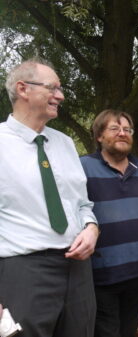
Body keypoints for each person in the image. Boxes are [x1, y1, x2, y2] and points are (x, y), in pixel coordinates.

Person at [0, 58, 99, 336]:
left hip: (78, 270)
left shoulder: (65, 144)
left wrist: (91, 228)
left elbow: (83, 204)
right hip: (23, 272)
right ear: (23, 89)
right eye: (52, 88)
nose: (60, 95)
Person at [80, 109, 138, 337]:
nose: (122, 133)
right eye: (114, 128)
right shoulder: (82, 167)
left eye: (127, 129)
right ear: (99, 136)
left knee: (129, 332)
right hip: (100, 275)